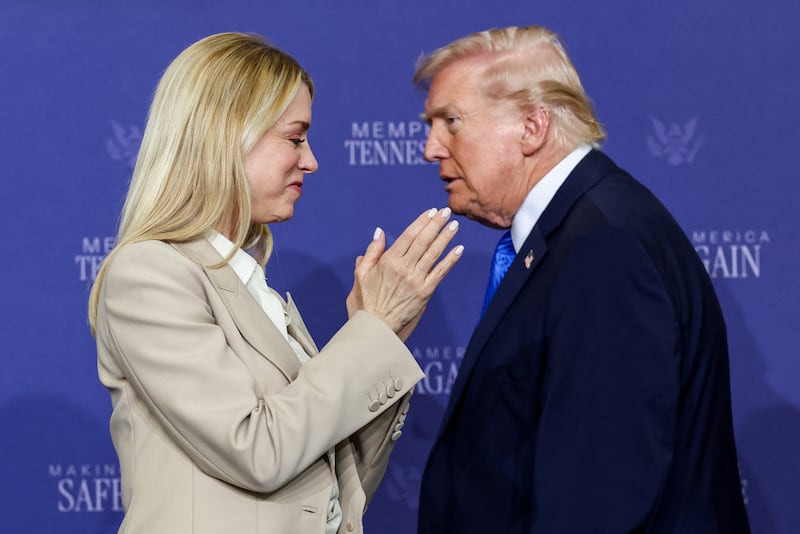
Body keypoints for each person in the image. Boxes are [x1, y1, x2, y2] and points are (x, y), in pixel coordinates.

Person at [87, 32, 463, 534]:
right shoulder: (149, 274)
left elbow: (334, 494)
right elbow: (257, 451)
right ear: (226, 133)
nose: (311, 161)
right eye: (295, 137)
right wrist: (369, 334)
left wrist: (379, 338)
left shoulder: (253, 287)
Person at [413, 25, 750, 533]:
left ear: (532, 127)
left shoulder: (604, 249)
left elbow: (600, 493)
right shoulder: (579, 231)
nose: (430, 148)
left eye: (451, 122)